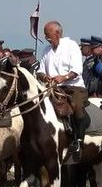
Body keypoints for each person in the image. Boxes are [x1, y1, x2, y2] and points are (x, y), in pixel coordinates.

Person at [37, 21, 87, 157]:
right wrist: (44, 77)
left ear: (57, 33)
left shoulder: (72, 46)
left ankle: (78, 141)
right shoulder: (46, 50)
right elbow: (40, 71)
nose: (46, 37)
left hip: (73, 86)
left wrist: (64, 77)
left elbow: (77, 70)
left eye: (48, 34)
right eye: (45, 35)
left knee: (76, 106)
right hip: (52, 88)